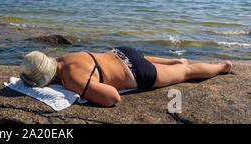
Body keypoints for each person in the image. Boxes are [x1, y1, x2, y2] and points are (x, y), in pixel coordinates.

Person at [19, 47, 232, 107]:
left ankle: (222, 66)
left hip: (138, 73)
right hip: (122, 52)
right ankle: (177, 60)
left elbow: (113, 97)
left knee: (188, 73)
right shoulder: (64, 57)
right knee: (179, 65)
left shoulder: (72, 79)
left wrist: (77, 88)